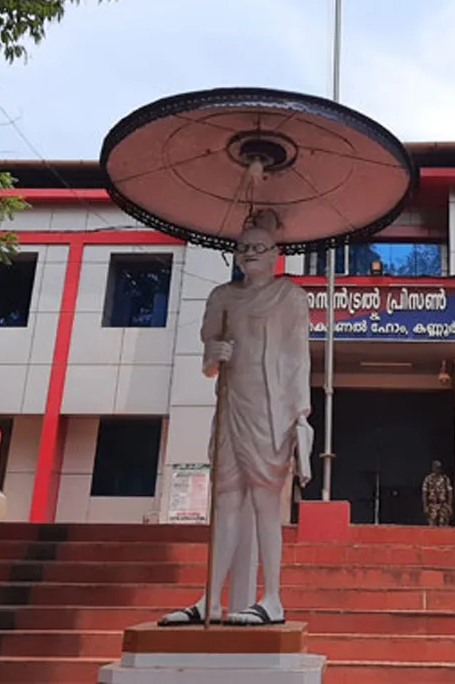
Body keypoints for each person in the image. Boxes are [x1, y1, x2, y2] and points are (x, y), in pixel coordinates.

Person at [159, 210, 313, 627]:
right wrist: (214, 355)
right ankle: (210, 597)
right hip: (230, 407)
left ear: (276, 253)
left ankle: (272, 598)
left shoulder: (290, 297)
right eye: (243, 248)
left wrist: (301, 415)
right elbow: (209, 359)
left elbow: (298, 359)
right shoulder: (221, 298)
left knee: (266, 501)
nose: (249, 256)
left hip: (270, 410)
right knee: (225, 499)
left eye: (258, 248)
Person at [422, 460, 453, 527]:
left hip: (442, 505)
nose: (437, 469)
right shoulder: (428, 479)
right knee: (432, 526)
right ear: (432, 468)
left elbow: (450, 492)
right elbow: (424, 492)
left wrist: (449, 506)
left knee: (443, 525)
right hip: (432, 505)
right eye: (435, 467)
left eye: (439, 468)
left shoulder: (445, 479)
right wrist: (425, 506)